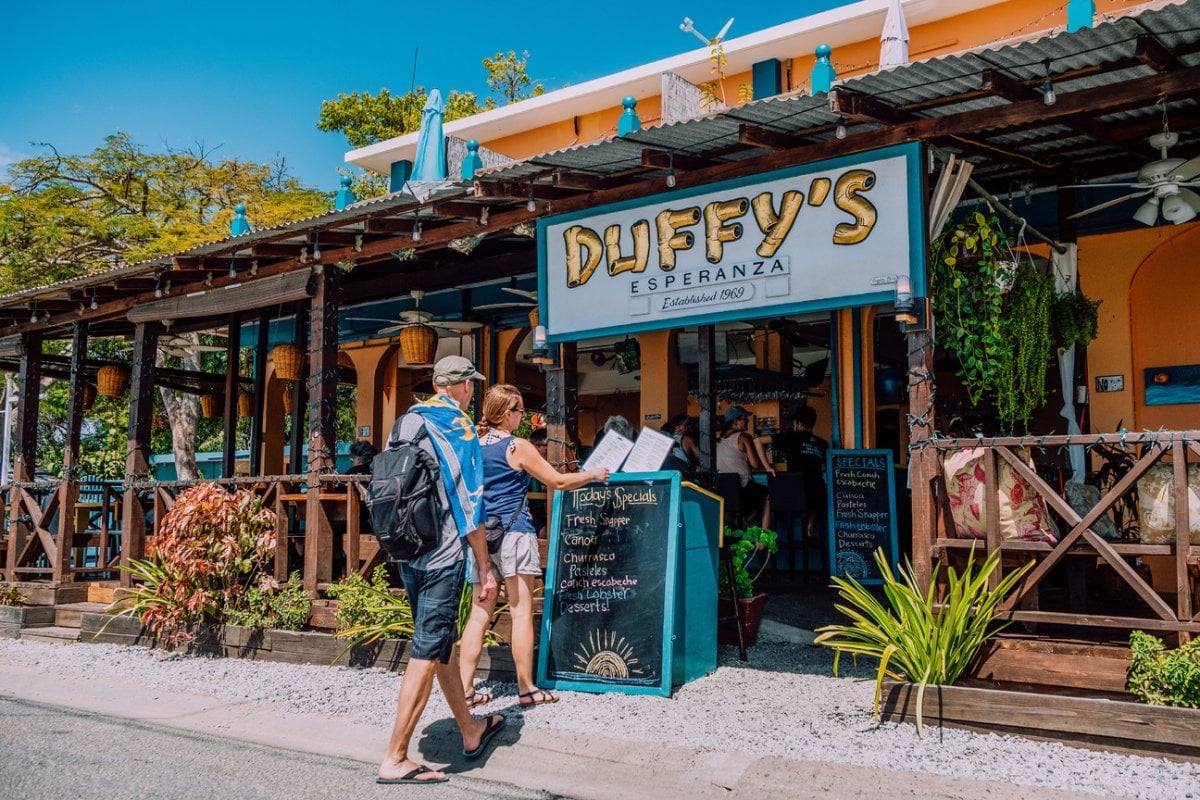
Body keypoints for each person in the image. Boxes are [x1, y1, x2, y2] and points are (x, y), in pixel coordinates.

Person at [377, 356, 503, 785]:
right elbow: (471, 503)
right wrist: (485, 566)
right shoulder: (459, 427)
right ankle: (395, 758)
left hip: (406, 549)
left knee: (439, 641)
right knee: (426, 650)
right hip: (441, 554)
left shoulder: (405, 422)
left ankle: (470, 728)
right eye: (471, 385)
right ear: (461, 387)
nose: (473, 393)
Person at [459, 385, 609, 709]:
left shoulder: (471, 446)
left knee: (478, 615)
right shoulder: (518, 447)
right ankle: (526, 689)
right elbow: (558, 481)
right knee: (521, 612)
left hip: (483, 537)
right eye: (519, 411)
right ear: (506, 414)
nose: (522, 416)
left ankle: (466, 691)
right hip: (515, 533)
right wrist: (592, 474)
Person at [754, 404, 829, 543]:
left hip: (793, 496)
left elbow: (758, 441)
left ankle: (763, 538)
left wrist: (767, 467)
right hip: (815, 498)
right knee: (821, 489)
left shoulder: (791, 436)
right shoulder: (823, 444)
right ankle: (809, 528)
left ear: (799, 424)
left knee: (769, 498)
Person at [716, 406, 770, 528]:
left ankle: (742, 521)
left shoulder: (716, 441)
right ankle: (761, 538)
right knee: (769, 495)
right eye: (744, 418)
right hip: (743, 490)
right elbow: (755, 464)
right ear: (735, 421)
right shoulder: (744, 437)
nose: (748, 421)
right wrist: (762, 451)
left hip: (723, 493)